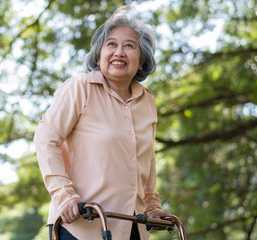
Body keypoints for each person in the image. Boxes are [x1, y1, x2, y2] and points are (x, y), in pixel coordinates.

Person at [34, 5, 170, 240]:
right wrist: (64, 195)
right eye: (111, 44)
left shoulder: (147, 101)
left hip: (132, 228)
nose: (120, 52)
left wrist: (151, 206)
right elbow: (46, 139)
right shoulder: (80, 88)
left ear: (141, 61)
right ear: (98, 56)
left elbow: (147, 161)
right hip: (80, 226)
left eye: (129, 45)